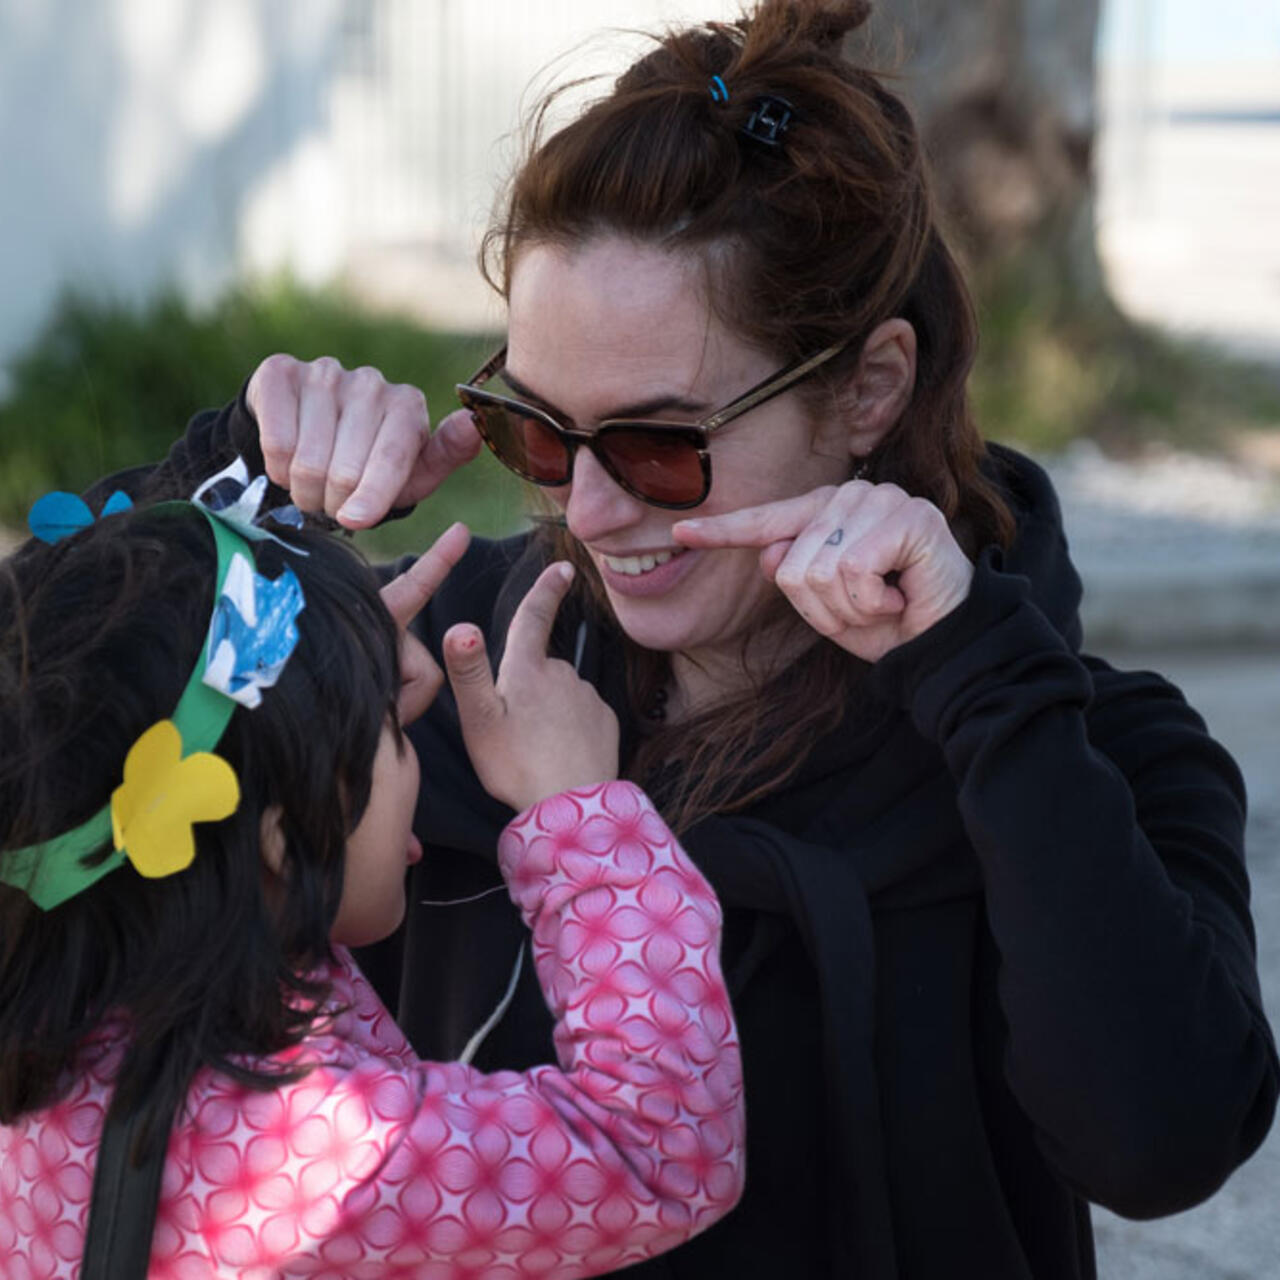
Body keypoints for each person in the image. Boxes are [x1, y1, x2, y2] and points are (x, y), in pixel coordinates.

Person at [71, 0, 1279, 1275]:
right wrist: (225, 484)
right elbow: (49, 788)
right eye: (535, 428)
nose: (586, 511)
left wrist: (982, 674)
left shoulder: (1068, 741)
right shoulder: (437, 659)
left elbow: (1162, 1143)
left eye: (660, 445)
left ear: (868, 389)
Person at [0, 496, 744, 1277]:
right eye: (392, 731)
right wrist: (582, 818)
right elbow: (655, 1148)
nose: (415, 747)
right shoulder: (304, 1156)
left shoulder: (76, 1026)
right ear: (283, 841)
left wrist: (325, 703)